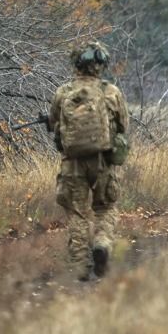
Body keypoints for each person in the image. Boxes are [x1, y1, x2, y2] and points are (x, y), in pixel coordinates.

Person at [49, 41, 129, 281]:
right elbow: (123, 127)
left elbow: (55, 124)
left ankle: (80, 264)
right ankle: (102, 243)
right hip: (103, 161)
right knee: (105, 207)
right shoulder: (111, 92)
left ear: (76, 64)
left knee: (77, 212)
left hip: (72, 162)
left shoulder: (64, 92)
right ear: (101, 65)